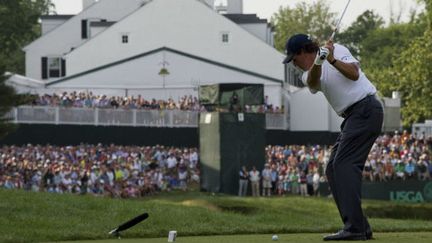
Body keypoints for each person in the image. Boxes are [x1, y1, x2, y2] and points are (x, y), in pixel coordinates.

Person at [283, 34, 383, 241]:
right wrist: (319, 61)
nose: (294, 63)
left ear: (303, 51)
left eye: (294, 58)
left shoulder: (337, 49)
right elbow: (313, 81)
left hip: (366, 108)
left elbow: (354, 74)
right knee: (332, 169)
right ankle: (360, 226)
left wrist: (332, 59)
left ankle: (355, 229)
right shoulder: (307, 74)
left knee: (344, 165)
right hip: (353, 116)